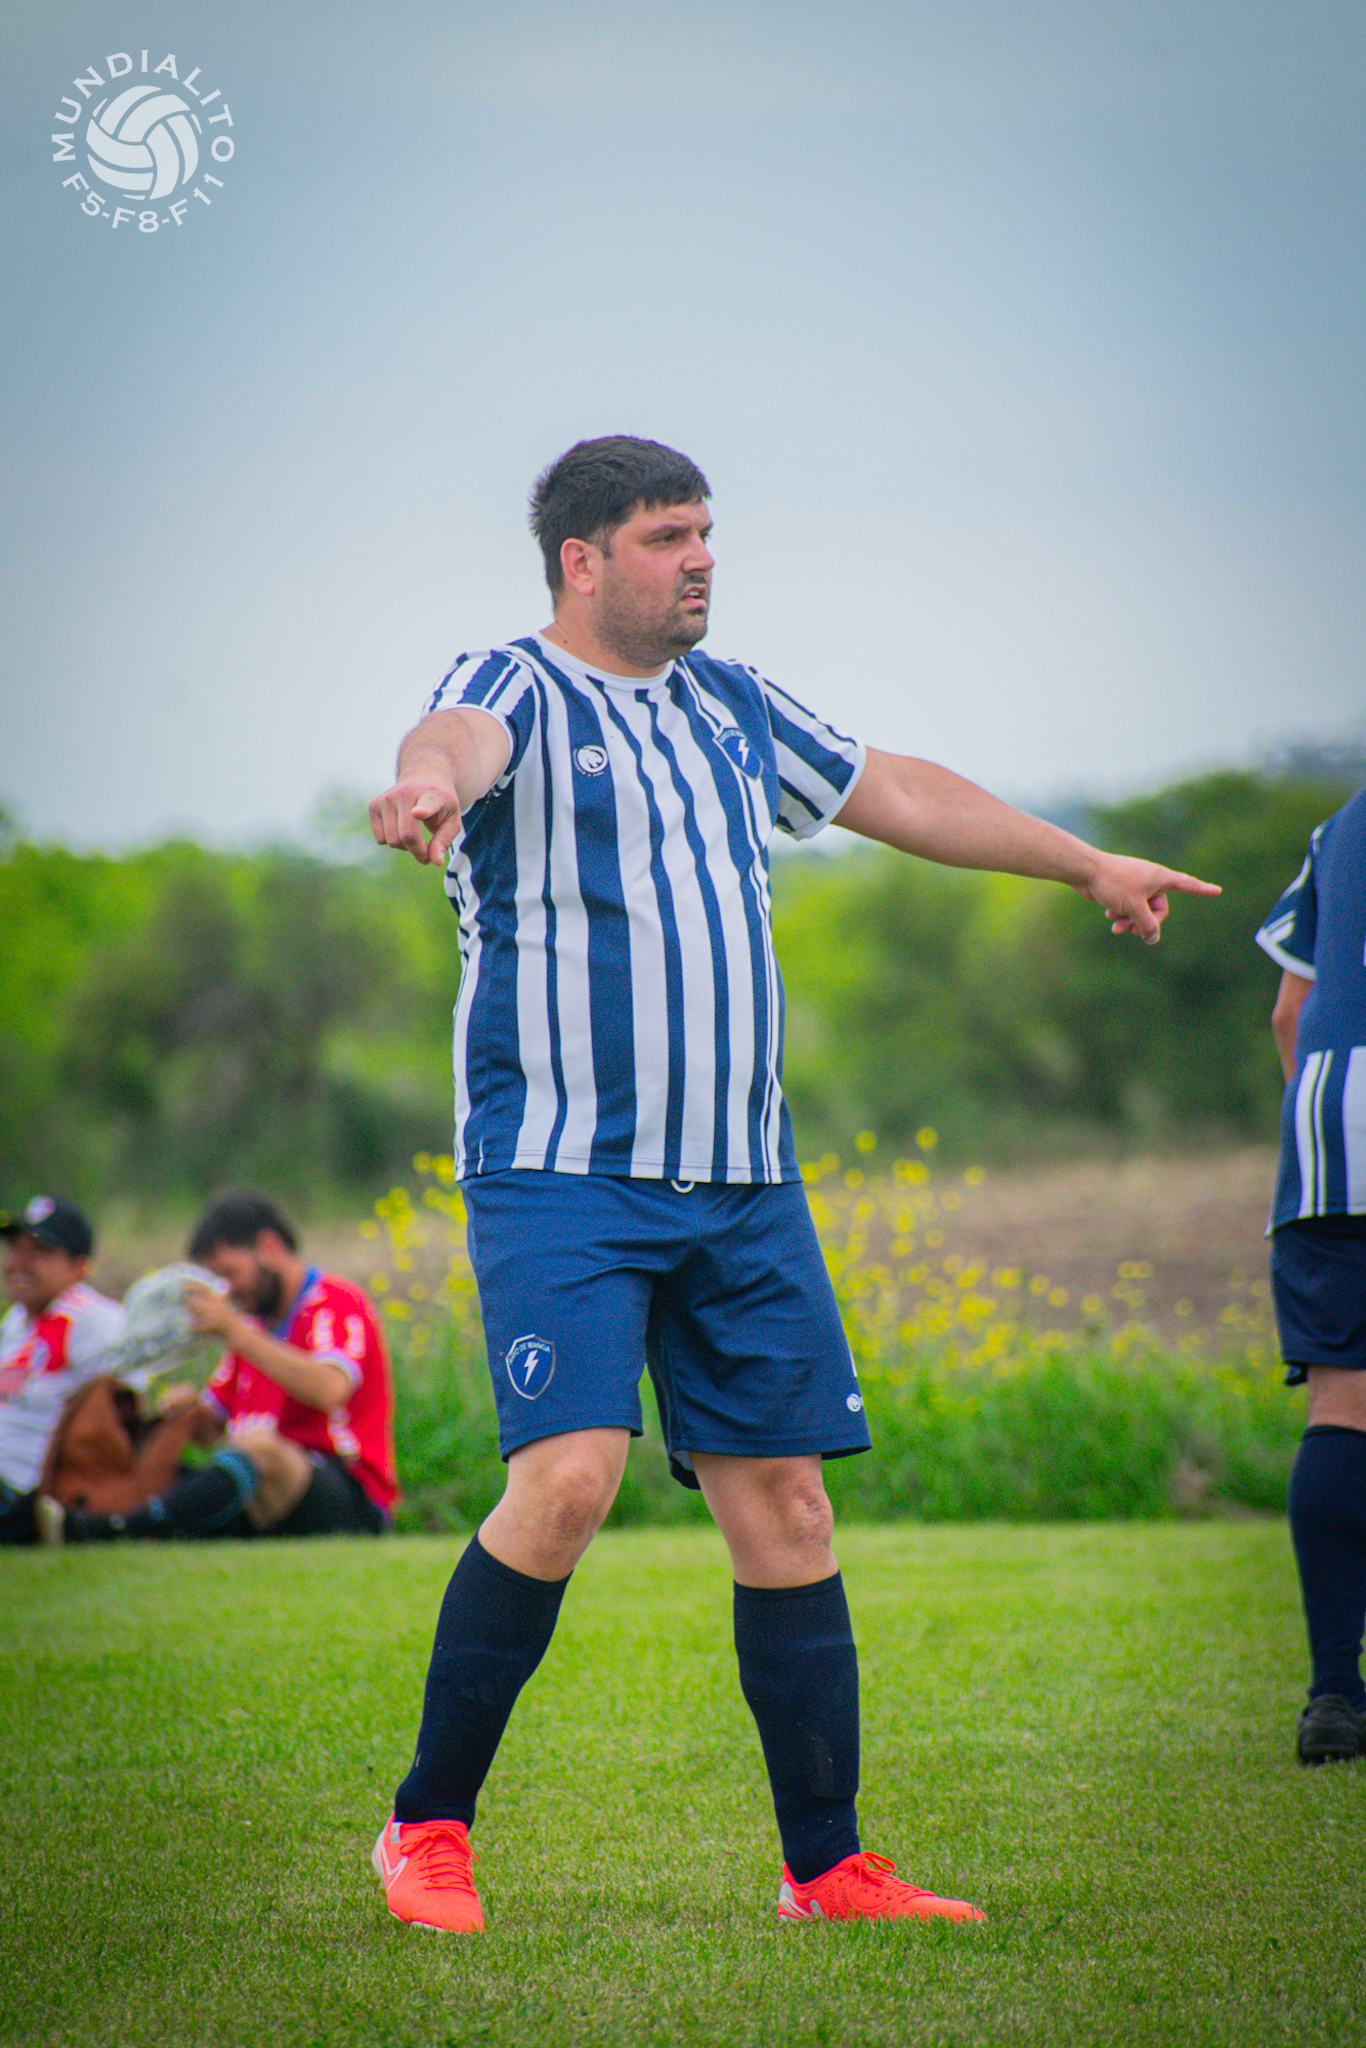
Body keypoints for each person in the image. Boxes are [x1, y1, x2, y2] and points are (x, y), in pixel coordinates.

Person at [366, 434, 1221, 1934]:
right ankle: (425, 1828)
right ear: (581, 560)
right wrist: (420, 785)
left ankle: (824, 1870)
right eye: (665, 536)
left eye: (706, 531)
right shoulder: (515, 684)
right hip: (563, 1173)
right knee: (566, 1482)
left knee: (790, 1510)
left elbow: (898, 789)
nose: (700, 557)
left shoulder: (734, 704)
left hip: (745, 1182)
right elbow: (455, 739)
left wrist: (1084, 860)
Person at [39, 1190, 398, 1543]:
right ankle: (66, 1516)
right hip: (268, 1492)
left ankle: (117, 1529)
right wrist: (188, 1412)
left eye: (230, 1273)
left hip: (349, 1494)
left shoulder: (334, 1301)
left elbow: (330, 1390)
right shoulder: (252, 1327)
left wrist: (236, 1333)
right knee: (175, 1468)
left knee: (258, 1449)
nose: (227, 1292)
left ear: (270, 1248)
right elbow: (214, 1430)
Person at [1256, 788, 1366, 1763]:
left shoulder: (1342, 827)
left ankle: (1335, 1694)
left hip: (1330, 1124)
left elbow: (1290, 1010)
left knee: (1341, 1404)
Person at [0, 1195, 127, 1543]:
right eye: (15, 1248)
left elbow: (125, 1412)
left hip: (29, 1493)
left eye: (40, 1251)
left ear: (78, 1267)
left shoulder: (92, 1319)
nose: (20, 1262)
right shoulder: (17, 1320)